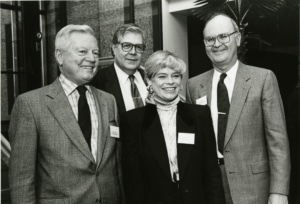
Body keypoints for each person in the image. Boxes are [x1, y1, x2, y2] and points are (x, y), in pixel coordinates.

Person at [9, 24, 124, 204]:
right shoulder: (31, 105)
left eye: (95, 52)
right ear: (59, 56)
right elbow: (22, 178)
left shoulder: (108, 101)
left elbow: (116, 167)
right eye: (82, 52)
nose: (92, 58)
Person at [186, 13, 290, 204]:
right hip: (209, 187)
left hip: (253, 187)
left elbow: (278, 142)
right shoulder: (193, 85)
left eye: (223, 36)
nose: (217, 44)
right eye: (210, 39)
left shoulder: (263, 79)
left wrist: (279, 192)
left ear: (238, 38)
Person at [121, 50, 225, 204]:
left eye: (175, 76)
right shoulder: (134, 120)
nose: (170, 82)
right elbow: (133, 180)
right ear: (149, 81)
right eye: (162, 76)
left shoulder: (199, 115)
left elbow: (211, 172)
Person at [91, 23, 148, 116]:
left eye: (138, 47)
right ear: (114, 49)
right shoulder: (98, 82)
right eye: (126, 46)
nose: (133, 52)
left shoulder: (150, 78)